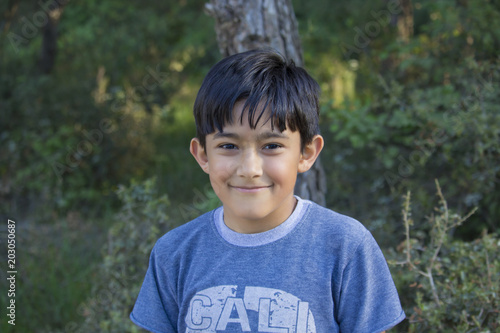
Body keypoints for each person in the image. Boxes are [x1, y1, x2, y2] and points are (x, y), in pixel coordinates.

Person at [130, 49, 405, 333]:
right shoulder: (174, 253)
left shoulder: (346, 247)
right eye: (228, 146)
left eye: (271, 146)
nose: (250, 169)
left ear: (306, 153)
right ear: (202, 155)